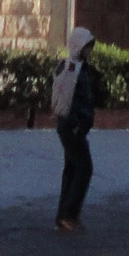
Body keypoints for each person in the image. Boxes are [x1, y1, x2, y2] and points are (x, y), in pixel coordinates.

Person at [53, 27, 98, 232]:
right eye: (86, 46)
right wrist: (74, 125)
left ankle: (64, 216)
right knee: (84, 168)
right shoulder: (72, 69)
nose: (89, 51)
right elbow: (64, 99)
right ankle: (68, 215)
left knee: (72, 169)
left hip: (73, 126)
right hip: (72, 127)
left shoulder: (77, 67)